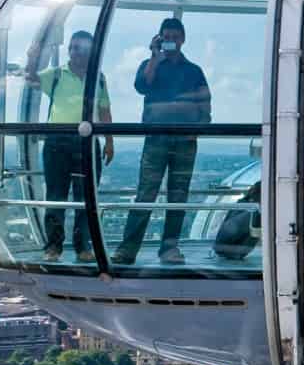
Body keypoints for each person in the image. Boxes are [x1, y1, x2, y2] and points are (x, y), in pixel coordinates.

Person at [113, 18, 211, 265]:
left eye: (175, 37)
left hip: (185, 141)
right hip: (156, 140)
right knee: (146, 193)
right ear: (159, 39)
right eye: (166, 37)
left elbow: (205, 104)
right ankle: (128, 250)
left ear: (183, 39)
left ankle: (169, 249)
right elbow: (142, 86)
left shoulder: (194, 71)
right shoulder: (150, 65)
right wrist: (154, 57)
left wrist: (197, 129)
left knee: (178, 196)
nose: (172, 41)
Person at [24, 28, 112, 260]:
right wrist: (32, 59)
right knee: (56, 194)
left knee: (85, 196)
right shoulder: (56, 75)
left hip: (86, 141)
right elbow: (31, 79)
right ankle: (54, 246)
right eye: (72, 47)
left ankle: (83, 246)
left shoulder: (98, 78)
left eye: (80, 48)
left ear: (90, 51)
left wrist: (109, 140)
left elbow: (104, 110)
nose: (74, 52)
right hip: (57, 141)